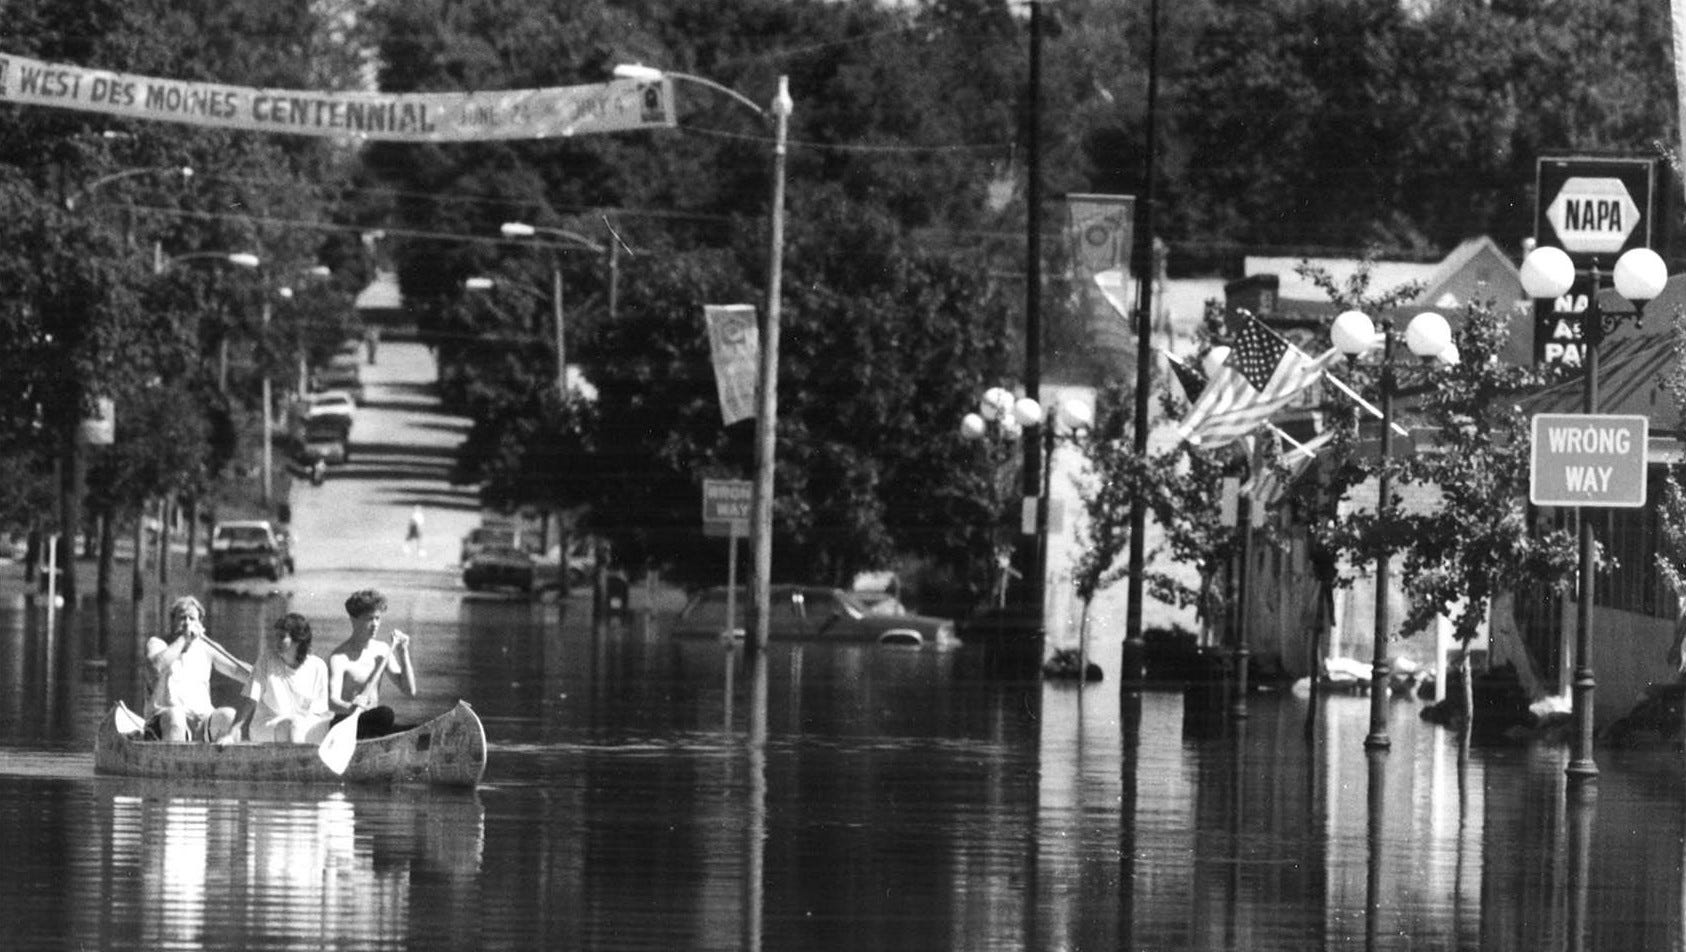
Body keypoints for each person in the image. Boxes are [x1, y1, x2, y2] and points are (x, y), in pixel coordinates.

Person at [144, 595, 252, 743]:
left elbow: (236, 670)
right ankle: (175, 762)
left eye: (192, 619)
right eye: (182, 618)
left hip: (201, 723)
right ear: (172, 621)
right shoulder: (158, 644)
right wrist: (183, 639)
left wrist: (263, 673)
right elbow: (157, 667)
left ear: (200, 624)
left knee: (229, 716)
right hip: (167, 722)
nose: (187, 623)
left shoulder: (207, 647)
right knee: (176, 716)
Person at [328, 588, 417, 738]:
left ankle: (383, 738)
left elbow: (409, 691)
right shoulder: (339, 658)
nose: (375, 624)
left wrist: (403, 653)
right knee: (385, 714)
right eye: (370, 619)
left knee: (415, 728)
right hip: (346, 722)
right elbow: (331, 702)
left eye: (378, 618)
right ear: (354, 620)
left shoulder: (383, 650)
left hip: (373, 722)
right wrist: (351, 707)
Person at [235, 612, 333, 744]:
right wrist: (232, 731)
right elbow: (251, 698)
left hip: (301, 725)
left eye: (281, 637)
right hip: (267, 725)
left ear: (298, 639)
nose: (276, 642)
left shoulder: (318, 666)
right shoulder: (266, 661)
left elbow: (320, 711)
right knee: (291, 726)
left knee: (311, 726)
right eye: (275, 637)